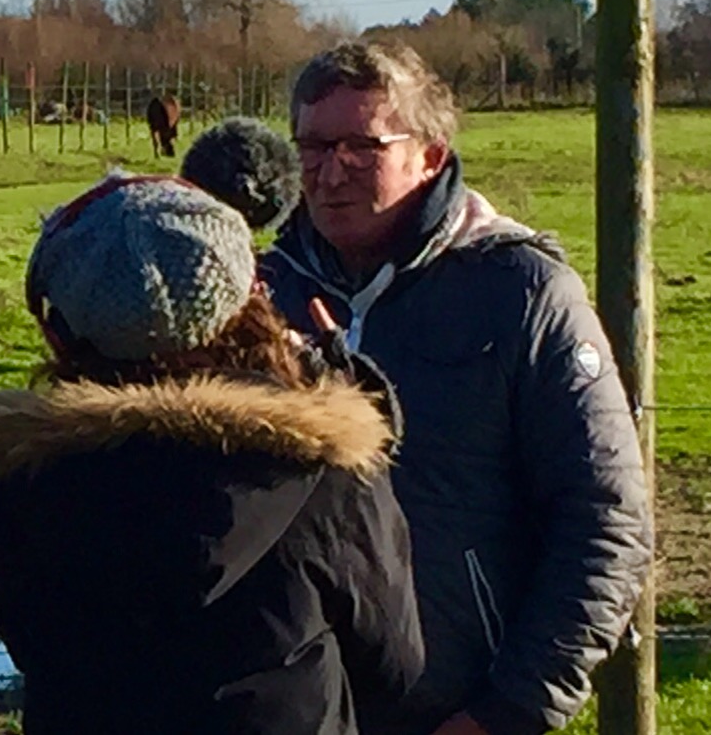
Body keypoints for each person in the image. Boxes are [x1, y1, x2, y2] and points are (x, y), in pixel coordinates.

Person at [0, 174, 424, 735]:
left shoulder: (22, 473)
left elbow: (29, 644)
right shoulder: (321, 467)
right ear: (251, 301)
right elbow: (394, 667)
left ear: (62, 330)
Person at [260, 42, 652, 735]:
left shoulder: (520, 293)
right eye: (313, 146)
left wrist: (511, 708)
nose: (329, 172)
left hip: (454, 708)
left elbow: (603, 517)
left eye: (361, 145)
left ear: (431, 154)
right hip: (291, 707)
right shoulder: (265, 292)